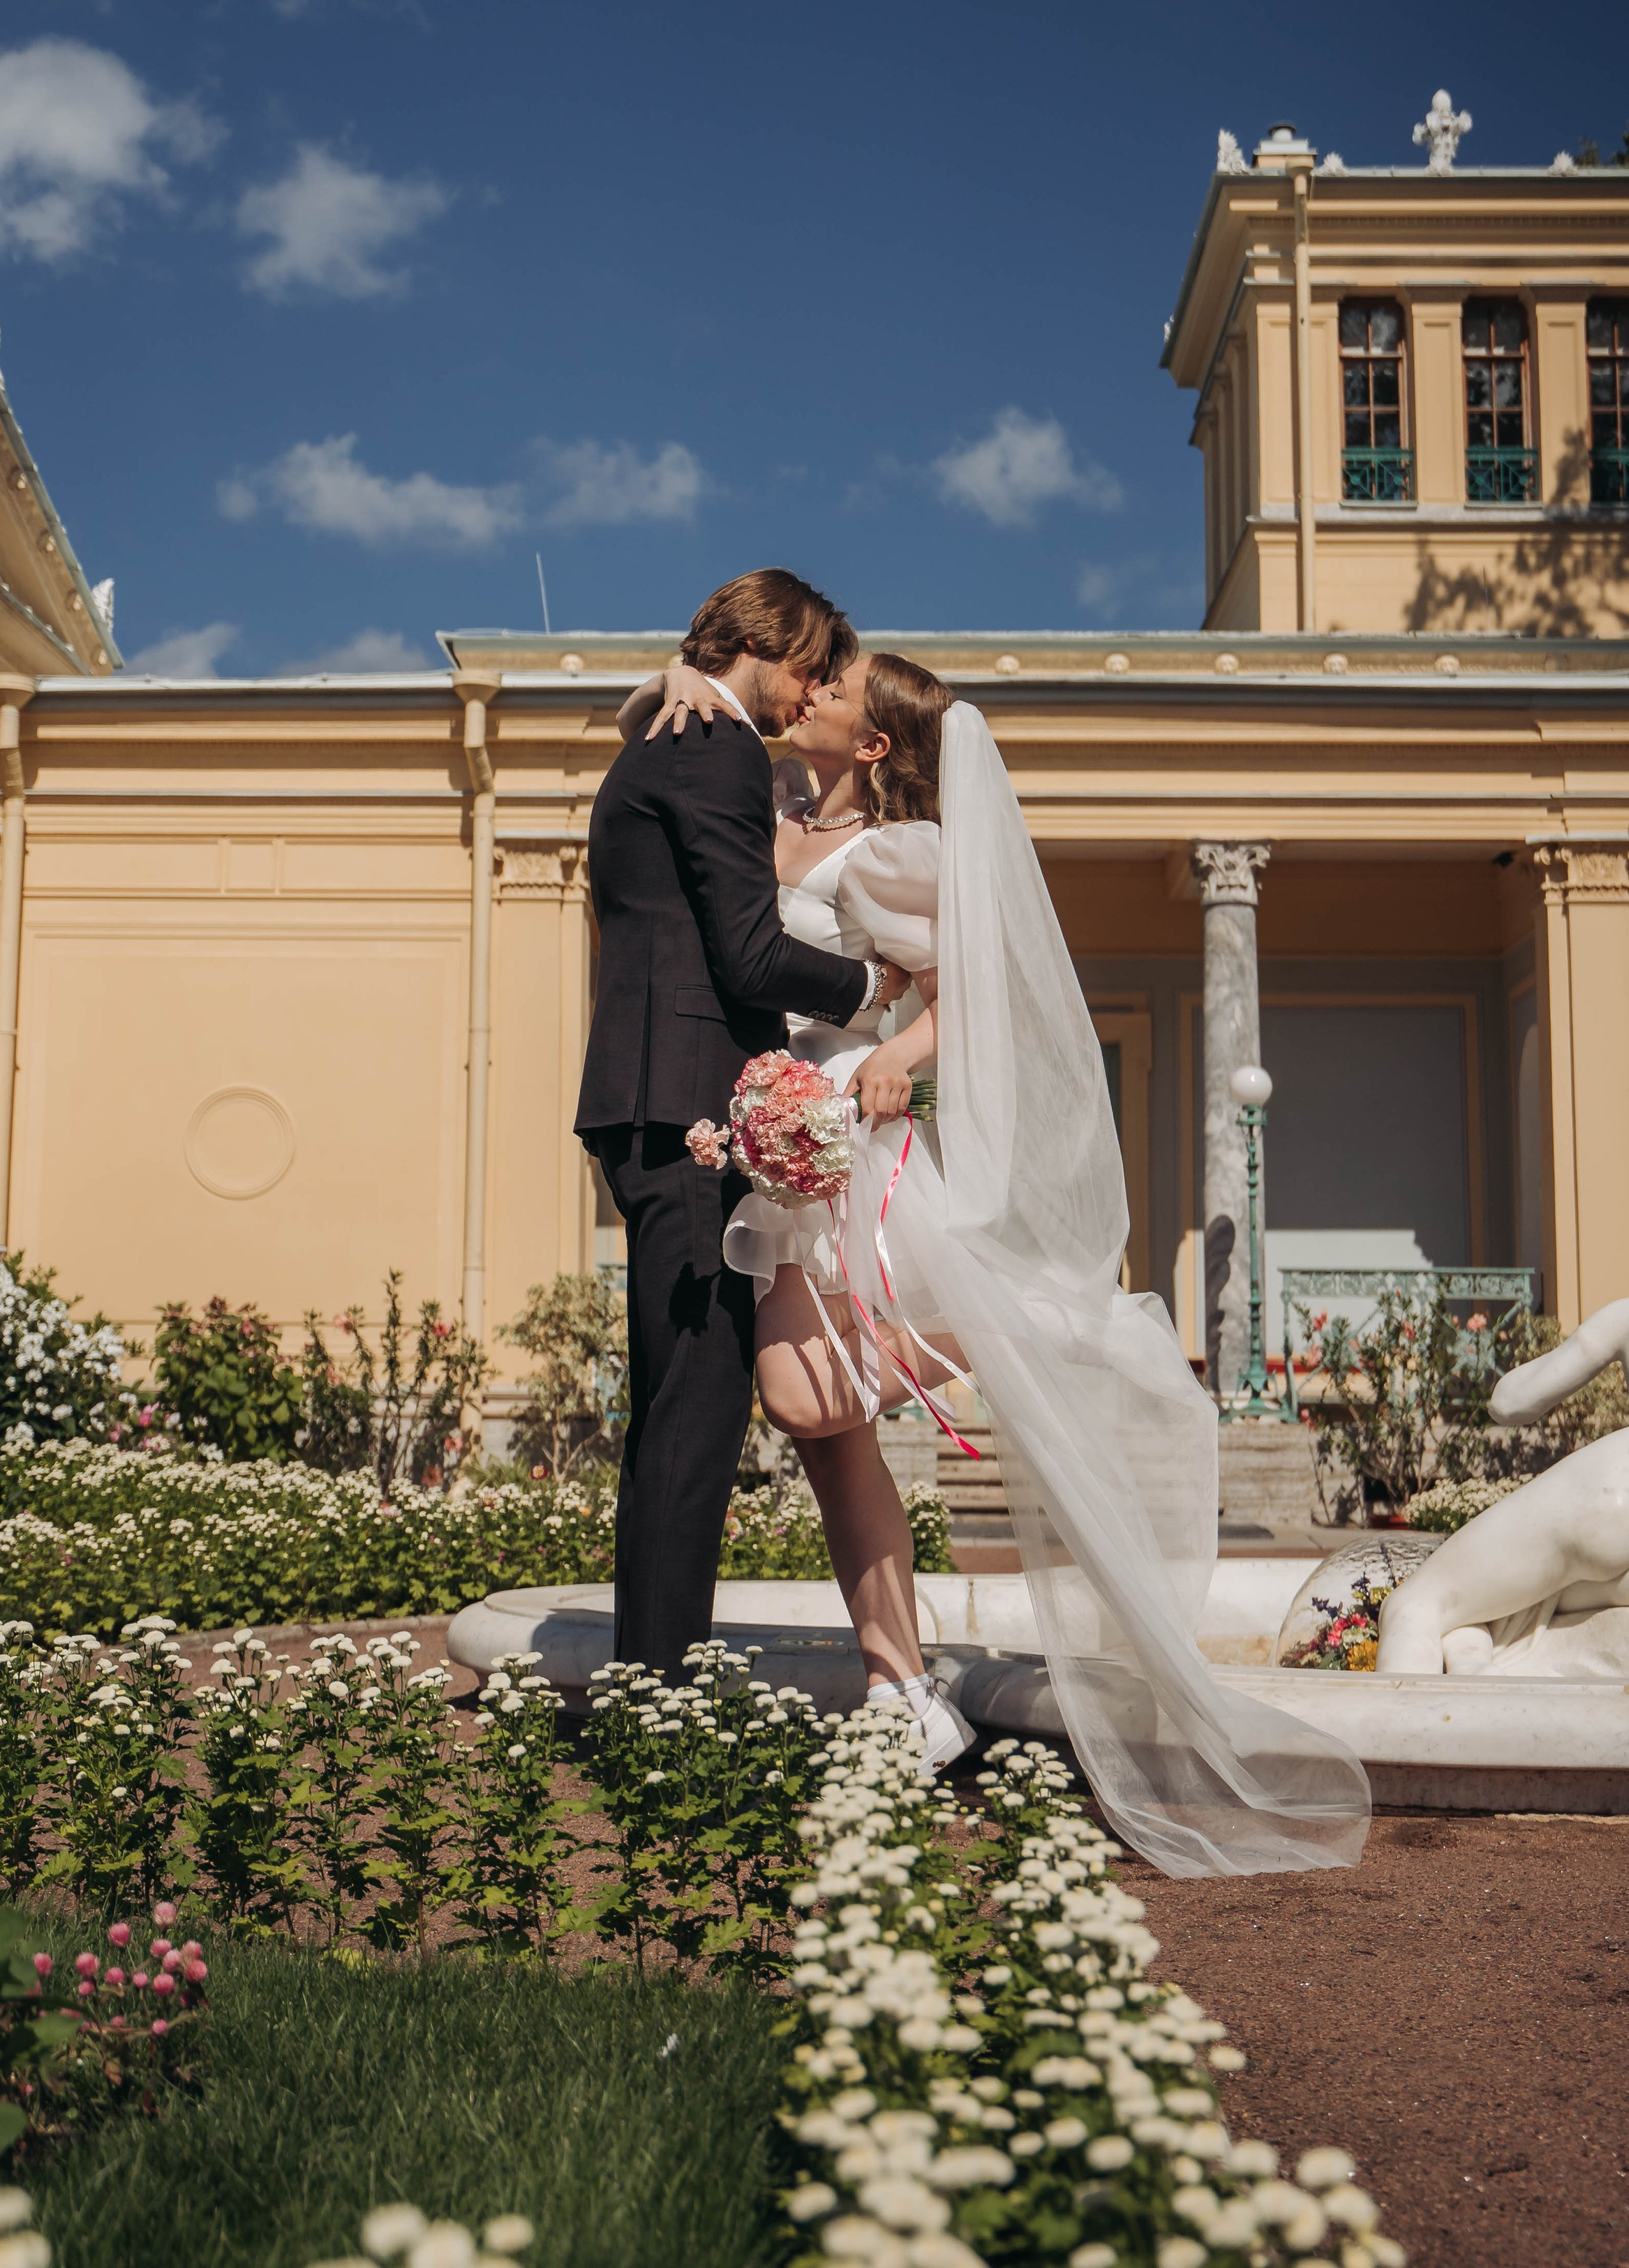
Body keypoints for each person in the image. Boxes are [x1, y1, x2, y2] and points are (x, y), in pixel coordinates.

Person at [623, 648, 1374, 1876]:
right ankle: (905, 1694)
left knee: (805, 1394)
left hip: (847, 1142)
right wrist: (674, 669)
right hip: (780, 1144)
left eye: (835, 691)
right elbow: (655, 738)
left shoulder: (903, 853)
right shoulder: (778, 811)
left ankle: (1034, 1320)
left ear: (873, 744)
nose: (807, 693)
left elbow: (975, 984)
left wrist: (901, 1056)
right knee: (831, 1440)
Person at [575, 569, 903, 1679]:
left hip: (641, 1099)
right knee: (697, 1421)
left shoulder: (658, 738)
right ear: (767, 643)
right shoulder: (717, 750)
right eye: (809, 667)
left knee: (672, 1412)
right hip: (689, 1108)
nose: (809, 695)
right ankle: (658, 1697)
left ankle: (643, 1676)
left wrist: (668, 680)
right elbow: (751, 956)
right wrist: (875, 986)